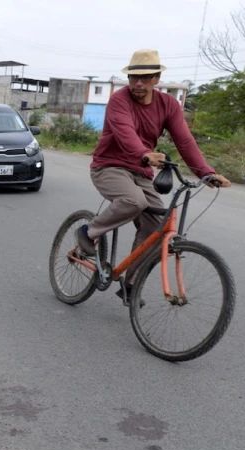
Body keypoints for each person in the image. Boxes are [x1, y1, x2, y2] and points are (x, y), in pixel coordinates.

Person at [76, 49, 231, 303]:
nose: (139, 83)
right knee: (134, 200)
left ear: (157, 79)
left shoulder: (168, 105)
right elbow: (125, 133)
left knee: (155, 228)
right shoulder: (119, 101)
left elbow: (185, 141)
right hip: (109, 166)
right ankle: (88, 232)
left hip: (141, 172)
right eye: (134, 77)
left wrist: (207, 173)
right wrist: (145, 153)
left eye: (146, 77)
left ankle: (130, 284)